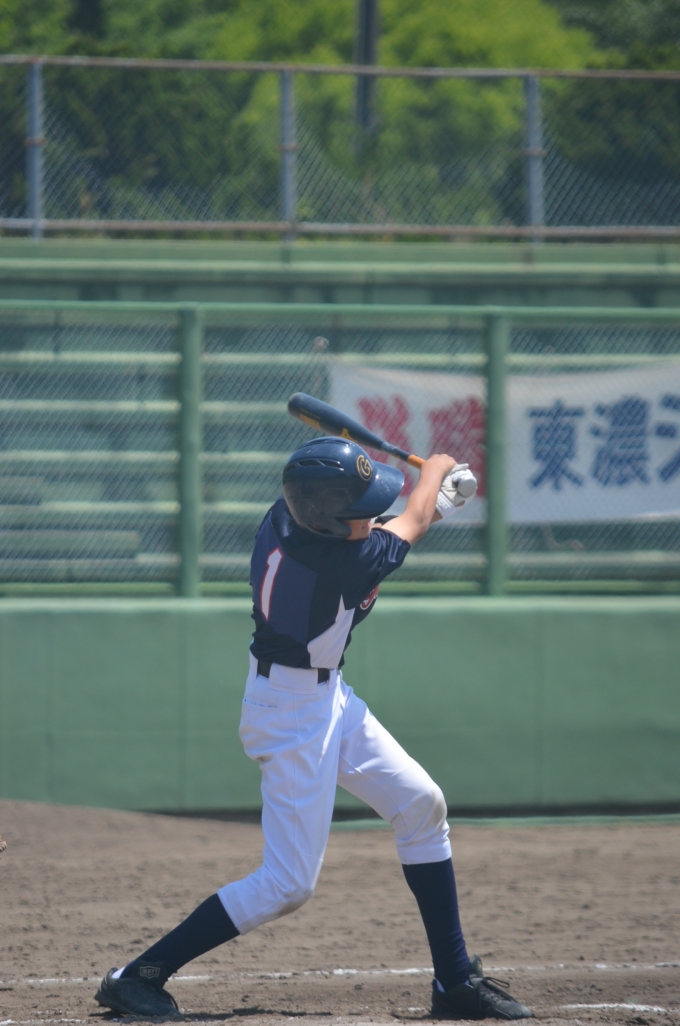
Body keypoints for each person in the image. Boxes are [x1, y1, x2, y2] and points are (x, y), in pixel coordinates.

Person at [95, 436, 532, 1021]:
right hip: (292, 715)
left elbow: (383, 523)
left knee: (421, 804)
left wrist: (433, 498)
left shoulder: (289, 518)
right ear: (328, 521)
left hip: (322, 697)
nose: (369, 516)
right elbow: (408, 523)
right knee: (287, 885)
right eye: (359, 511)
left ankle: (454, 983)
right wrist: (436, 473)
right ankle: (139, 976)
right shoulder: (344, 564)